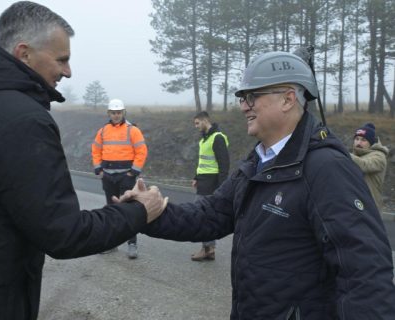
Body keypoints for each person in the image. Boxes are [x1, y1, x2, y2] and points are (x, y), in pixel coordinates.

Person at [0, 2, 166, 320]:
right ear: (24, 53)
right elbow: (64, 234)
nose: (68, 71)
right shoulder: (22, 120)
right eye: (62, 59)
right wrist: (138, 211)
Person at [119, 51, 395, 319]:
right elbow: (210, 214)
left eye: (251, 96)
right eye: (241, 97)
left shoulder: (326, 168)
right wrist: (150, 213)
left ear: (288, 99)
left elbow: (365, 273)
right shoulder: (257, 160)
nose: (243, 106)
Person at [92, 98, 148, 259]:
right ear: (109, 113)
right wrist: (98, 169)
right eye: (113, 113)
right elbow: (96, 150)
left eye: (118, 112)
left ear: (123, 112)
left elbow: (142, 151)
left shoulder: (133, 130)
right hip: (108, 177)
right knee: (111, 210)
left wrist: (133, 173)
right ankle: (112, 243)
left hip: (126, 178)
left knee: (128, 210)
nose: (116, 115)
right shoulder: (103, 130)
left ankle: (132, 244)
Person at [190, 111, 229, 261]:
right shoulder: (204, 140)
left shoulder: (217, 138)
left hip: (212, 183)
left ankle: (207, 248)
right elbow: (202, 162)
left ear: (205, 120)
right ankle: (209, 248)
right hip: (203, 181)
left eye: (197, 123)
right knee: (205, 216)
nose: (196, 126)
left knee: (201, 216)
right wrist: (196, 177)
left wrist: (221, 188)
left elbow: (224, 165)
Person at [350, 123, 389, 211]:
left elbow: (364, 165)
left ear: (371, 143)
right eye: (357, 139)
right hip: (355, 205)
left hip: (370, 208)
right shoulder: (354, 156)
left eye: (363, 140)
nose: (358, 143)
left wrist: (342, 152)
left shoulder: (379, 156)